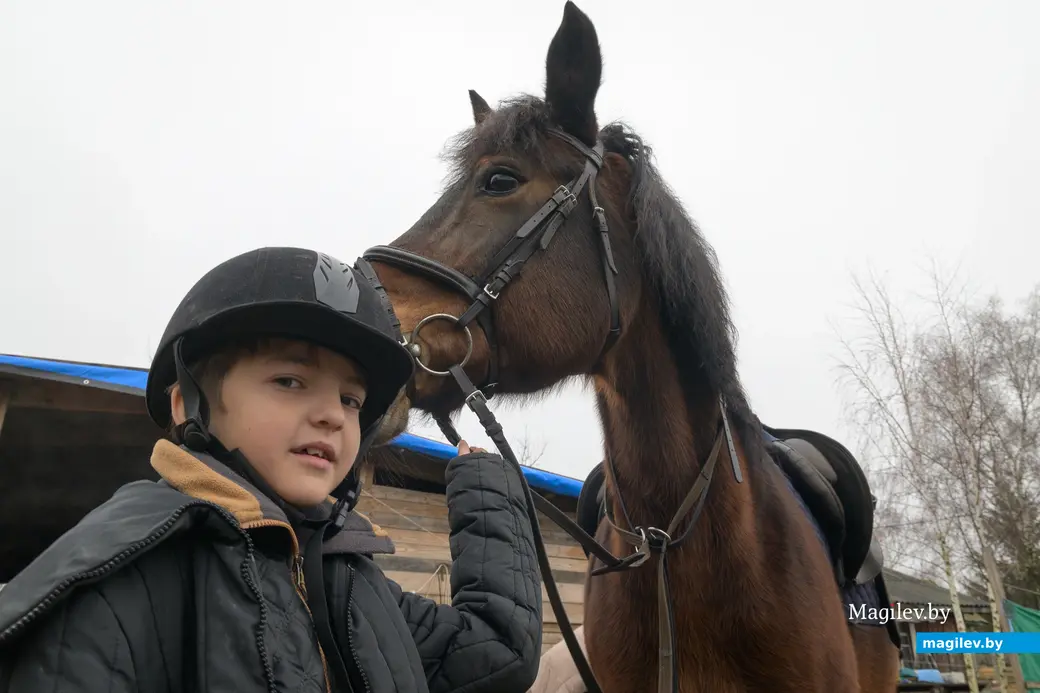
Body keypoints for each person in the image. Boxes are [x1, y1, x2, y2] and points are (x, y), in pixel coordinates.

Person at [0, 247, 542, 693]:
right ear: (187, 405)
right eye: (289, 381)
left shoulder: (351, 579)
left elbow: (493, 655)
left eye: (351, 400)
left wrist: (487, 486)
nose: (333, 415)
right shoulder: (114, 581)